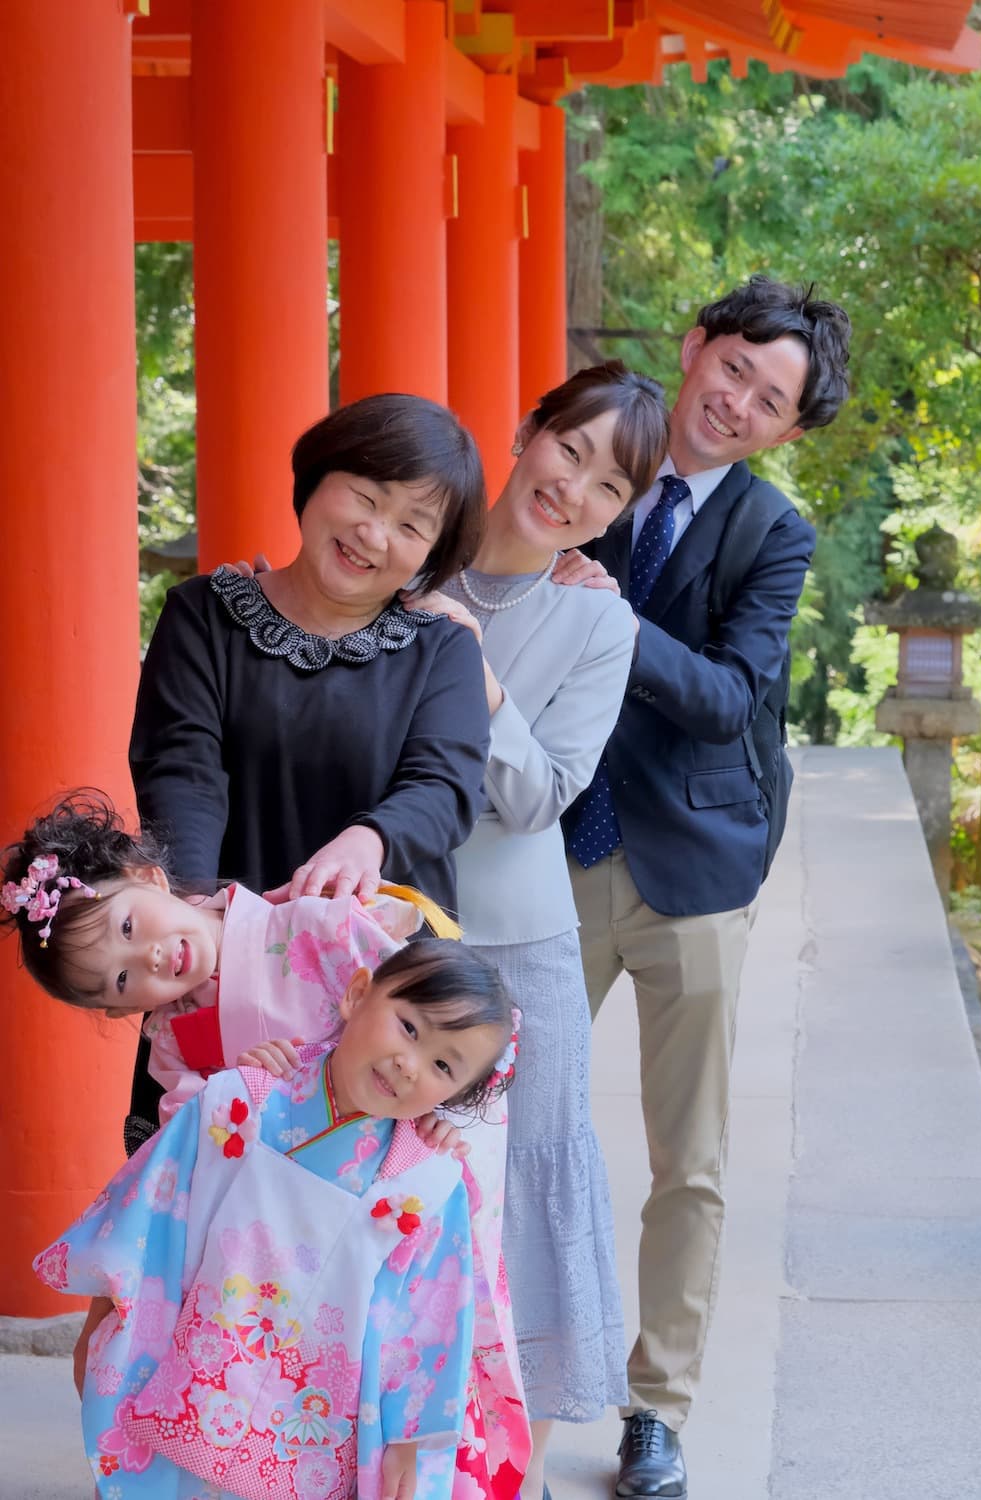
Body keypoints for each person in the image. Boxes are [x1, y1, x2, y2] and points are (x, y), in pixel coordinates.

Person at [561, 277, 852, 1499]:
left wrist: (614, 619)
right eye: (734, 368)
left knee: (691, 1160)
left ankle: (657, 1406)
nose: (736, 403)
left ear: (787, 429)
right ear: (693, 347)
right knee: (480, 1111)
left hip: (693, 871)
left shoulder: (772, 532)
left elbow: (732, 696)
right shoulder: (590, 455)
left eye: (770, 399)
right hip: (554, 850)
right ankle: (474, 1356)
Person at [404, 361, 670, 1500]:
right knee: (398, 1187)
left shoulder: (595, 621)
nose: (575, 490)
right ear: (526, 432)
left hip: (521, 948)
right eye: (570, 450)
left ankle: (511, 1472)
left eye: (610, 488)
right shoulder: (408, 558)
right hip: (390, 930)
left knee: (530, 1200)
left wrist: (478, 673)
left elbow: (536, 799)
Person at [33, 936, 530, 1500]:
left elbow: (429, 1323)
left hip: (319, 1408)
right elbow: (149, 1221)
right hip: (194, 1362)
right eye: (410, 1027)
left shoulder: (427, 1186)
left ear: (458, 1094)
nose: (408, 1064)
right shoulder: (238, 1105)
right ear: (357, 994)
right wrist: (103, 1317)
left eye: (442, 1064)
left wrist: (408, 1441)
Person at [126, 392, 492, 1150]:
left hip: (384, 1004)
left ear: (432, 555)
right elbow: (181, 771)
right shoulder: (202, 616)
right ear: (318, 478)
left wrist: (372, 838)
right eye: (365, 496)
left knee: (354, 1231)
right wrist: (201, 917)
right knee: (197, 1220)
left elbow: (446, 782)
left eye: (411, 526)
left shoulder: (442, 651)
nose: (373, 533)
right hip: (219, 973)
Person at [0, 791, 466, 1127]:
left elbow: (425, 1018)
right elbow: (191, 1140)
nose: (150, 957)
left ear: (148, 877)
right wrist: (242, 1090)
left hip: (387, 1137)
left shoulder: (314, 924)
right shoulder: (172, 1042)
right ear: (121, 1009)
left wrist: (433, 1115)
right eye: (122, 978)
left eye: (127, 927)